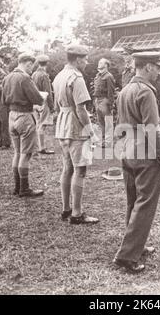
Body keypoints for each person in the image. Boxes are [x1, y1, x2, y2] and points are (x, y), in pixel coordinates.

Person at [113, 51, 160, 273]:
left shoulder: (126, 90)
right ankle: (127, 256)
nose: (158, 71)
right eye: (157, 67)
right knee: (145, 203)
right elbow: (152, 129)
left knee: (133, 200)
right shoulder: (146, 92)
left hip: (127, 149)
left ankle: (136, 245)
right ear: (147, 67)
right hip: (144, 152)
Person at [53, 45, 100, 224]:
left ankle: (66, 209)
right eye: (85, 59)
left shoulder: (59, 76)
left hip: (63, 124)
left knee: (67, 168)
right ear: (78, 59)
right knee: (80, 170)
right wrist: (91, 132)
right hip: (75, 126)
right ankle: (77, 213)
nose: (87, 62)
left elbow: (58, 105)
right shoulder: (76, 78)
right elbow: (81, 109)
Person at [1, 53, 45, 197]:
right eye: (31, 65)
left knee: (17, 153)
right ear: (27, 63)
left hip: (12, 116)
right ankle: (24, 189)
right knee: (25, 155)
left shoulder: (7, 77)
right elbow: (37, 98)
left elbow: (3, 100)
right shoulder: (25, 78)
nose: (32, 68)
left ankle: (17, 187)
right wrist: (42, 98)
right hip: (25, 116)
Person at [32, 55, 55, 155]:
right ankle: (42, 148)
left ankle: (38, 146)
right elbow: (48, 92)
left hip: (35, 101)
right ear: (47, 63)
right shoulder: (44, 75)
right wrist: (51, 106)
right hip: (43, 100)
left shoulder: (34, 74)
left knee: (38, 124)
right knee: (42, 125)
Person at [93, 58, 116, 148]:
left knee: (108, 122)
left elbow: (111, 91)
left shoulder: (109, 76)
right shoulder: (98, 75)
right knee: (101, 122)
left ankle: (108, 142)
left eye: (101, 62)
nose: (99, 63)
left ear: (106, 65)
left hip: (105, 100)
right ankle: (103, 141)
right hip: (97, 100)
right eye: (99, 62)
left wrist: (110, 103)